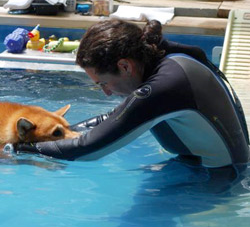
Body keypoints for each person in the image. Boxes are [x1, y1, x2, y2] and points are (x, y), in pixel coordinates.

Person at [14, 19, 250, 171]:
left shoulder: (166, 87)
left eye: (103, 83)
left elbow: (89, 149)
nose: (107, 93)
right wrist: (56, 133)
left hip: (219, 183)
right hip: (194, 167)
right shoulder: (161, 56)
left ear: (125, 66)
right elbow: (115, 118)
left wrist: (17, 149)